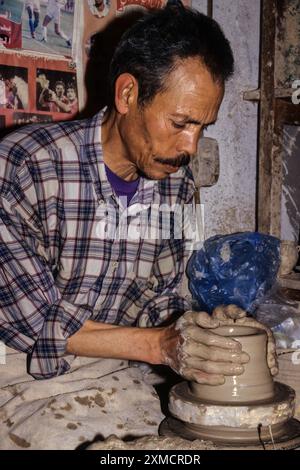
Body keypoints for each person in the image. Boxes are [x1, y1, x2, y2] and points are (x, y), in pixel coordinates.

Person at [0, 3, 278, 449]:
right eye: (181, 123)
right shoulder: (24, 167)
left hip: (121, 376)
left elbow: (168, 299)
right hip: (17, 379)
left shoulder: (178, 185)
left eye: (203, 127)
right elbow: (39, 326)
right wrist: (162, 346)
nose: (191, 146)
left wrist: (209, 325)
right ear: (128, 95)